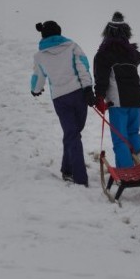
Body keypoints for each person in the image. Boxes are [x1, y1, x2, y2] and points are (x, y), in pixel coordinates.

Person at [30, 20, 96, 186]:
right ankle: (80, 179)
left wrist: (35, 90)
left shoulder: (40, 56)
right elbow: (83, 67)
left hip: (60, 99)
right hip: (78, 94)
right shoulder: (72, 46)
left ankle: (67, 169)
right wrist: (88, 88)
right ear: (59, 32)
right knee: (74, 134)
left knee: (72, 134)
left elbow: (38, 76)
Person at [92, 12, 140, 170]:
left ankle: (127, 171)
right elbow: (139, 57)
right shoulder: (131, 54)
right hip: (137, 100)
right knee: (133, 131)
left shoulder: (104, 54)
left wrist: (99, 97)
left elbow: (101, 80)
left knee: (120, 138)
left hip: (118, 102)